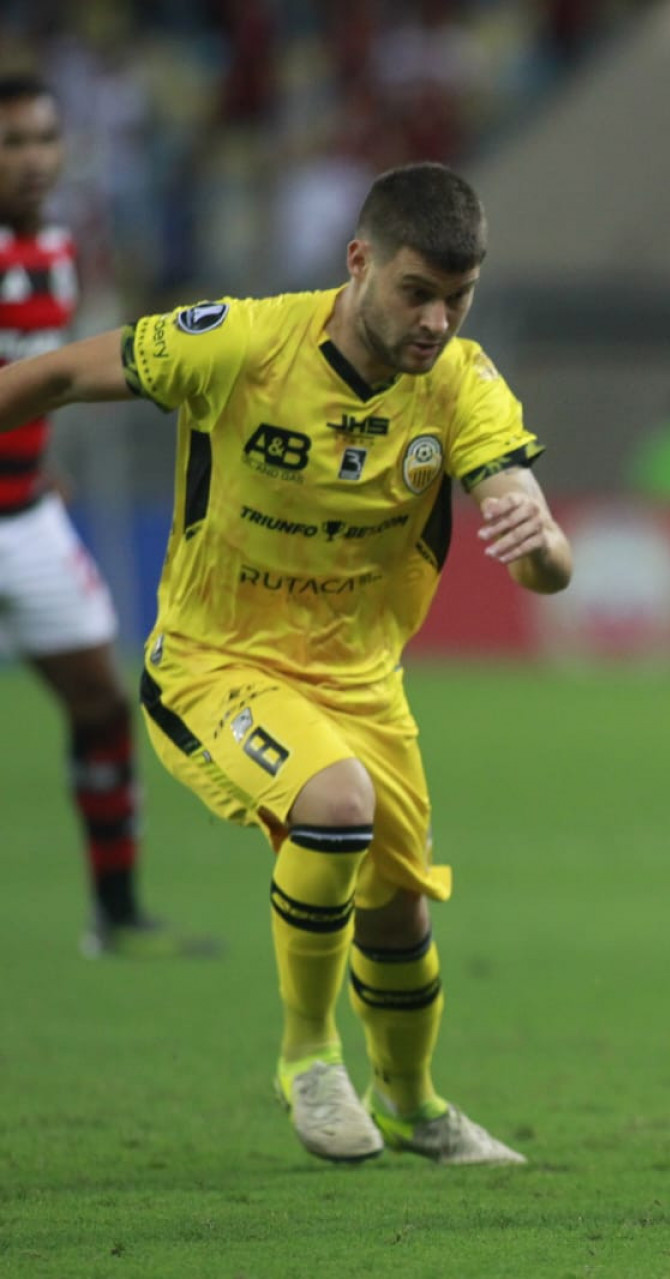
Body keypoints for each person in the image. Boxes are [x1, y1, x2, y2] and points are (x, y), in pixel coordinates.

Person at [0, 161, 571, 1166]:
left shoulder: (461, 383)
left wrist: (539, 535)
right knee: (334, 804)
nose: (437, 319)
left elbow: (542, 569)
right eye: (417, 292)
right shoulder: (241, 342)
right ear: (359, 263)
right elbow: (49, 378)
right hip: (215, 662)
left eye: (458, 297)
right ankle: (310, 1058)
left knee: (398, 910)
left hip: (361, 683)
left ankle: (415, 1102)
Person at [0, 73, 216, 959]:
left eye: (43, 139)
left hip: (25, 517)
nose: (32, 159)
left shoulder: (56, 246)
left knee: (99, 701)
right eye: (12, 143)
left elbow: (34, 376)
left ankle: (117, 917)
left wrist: (38, 463)